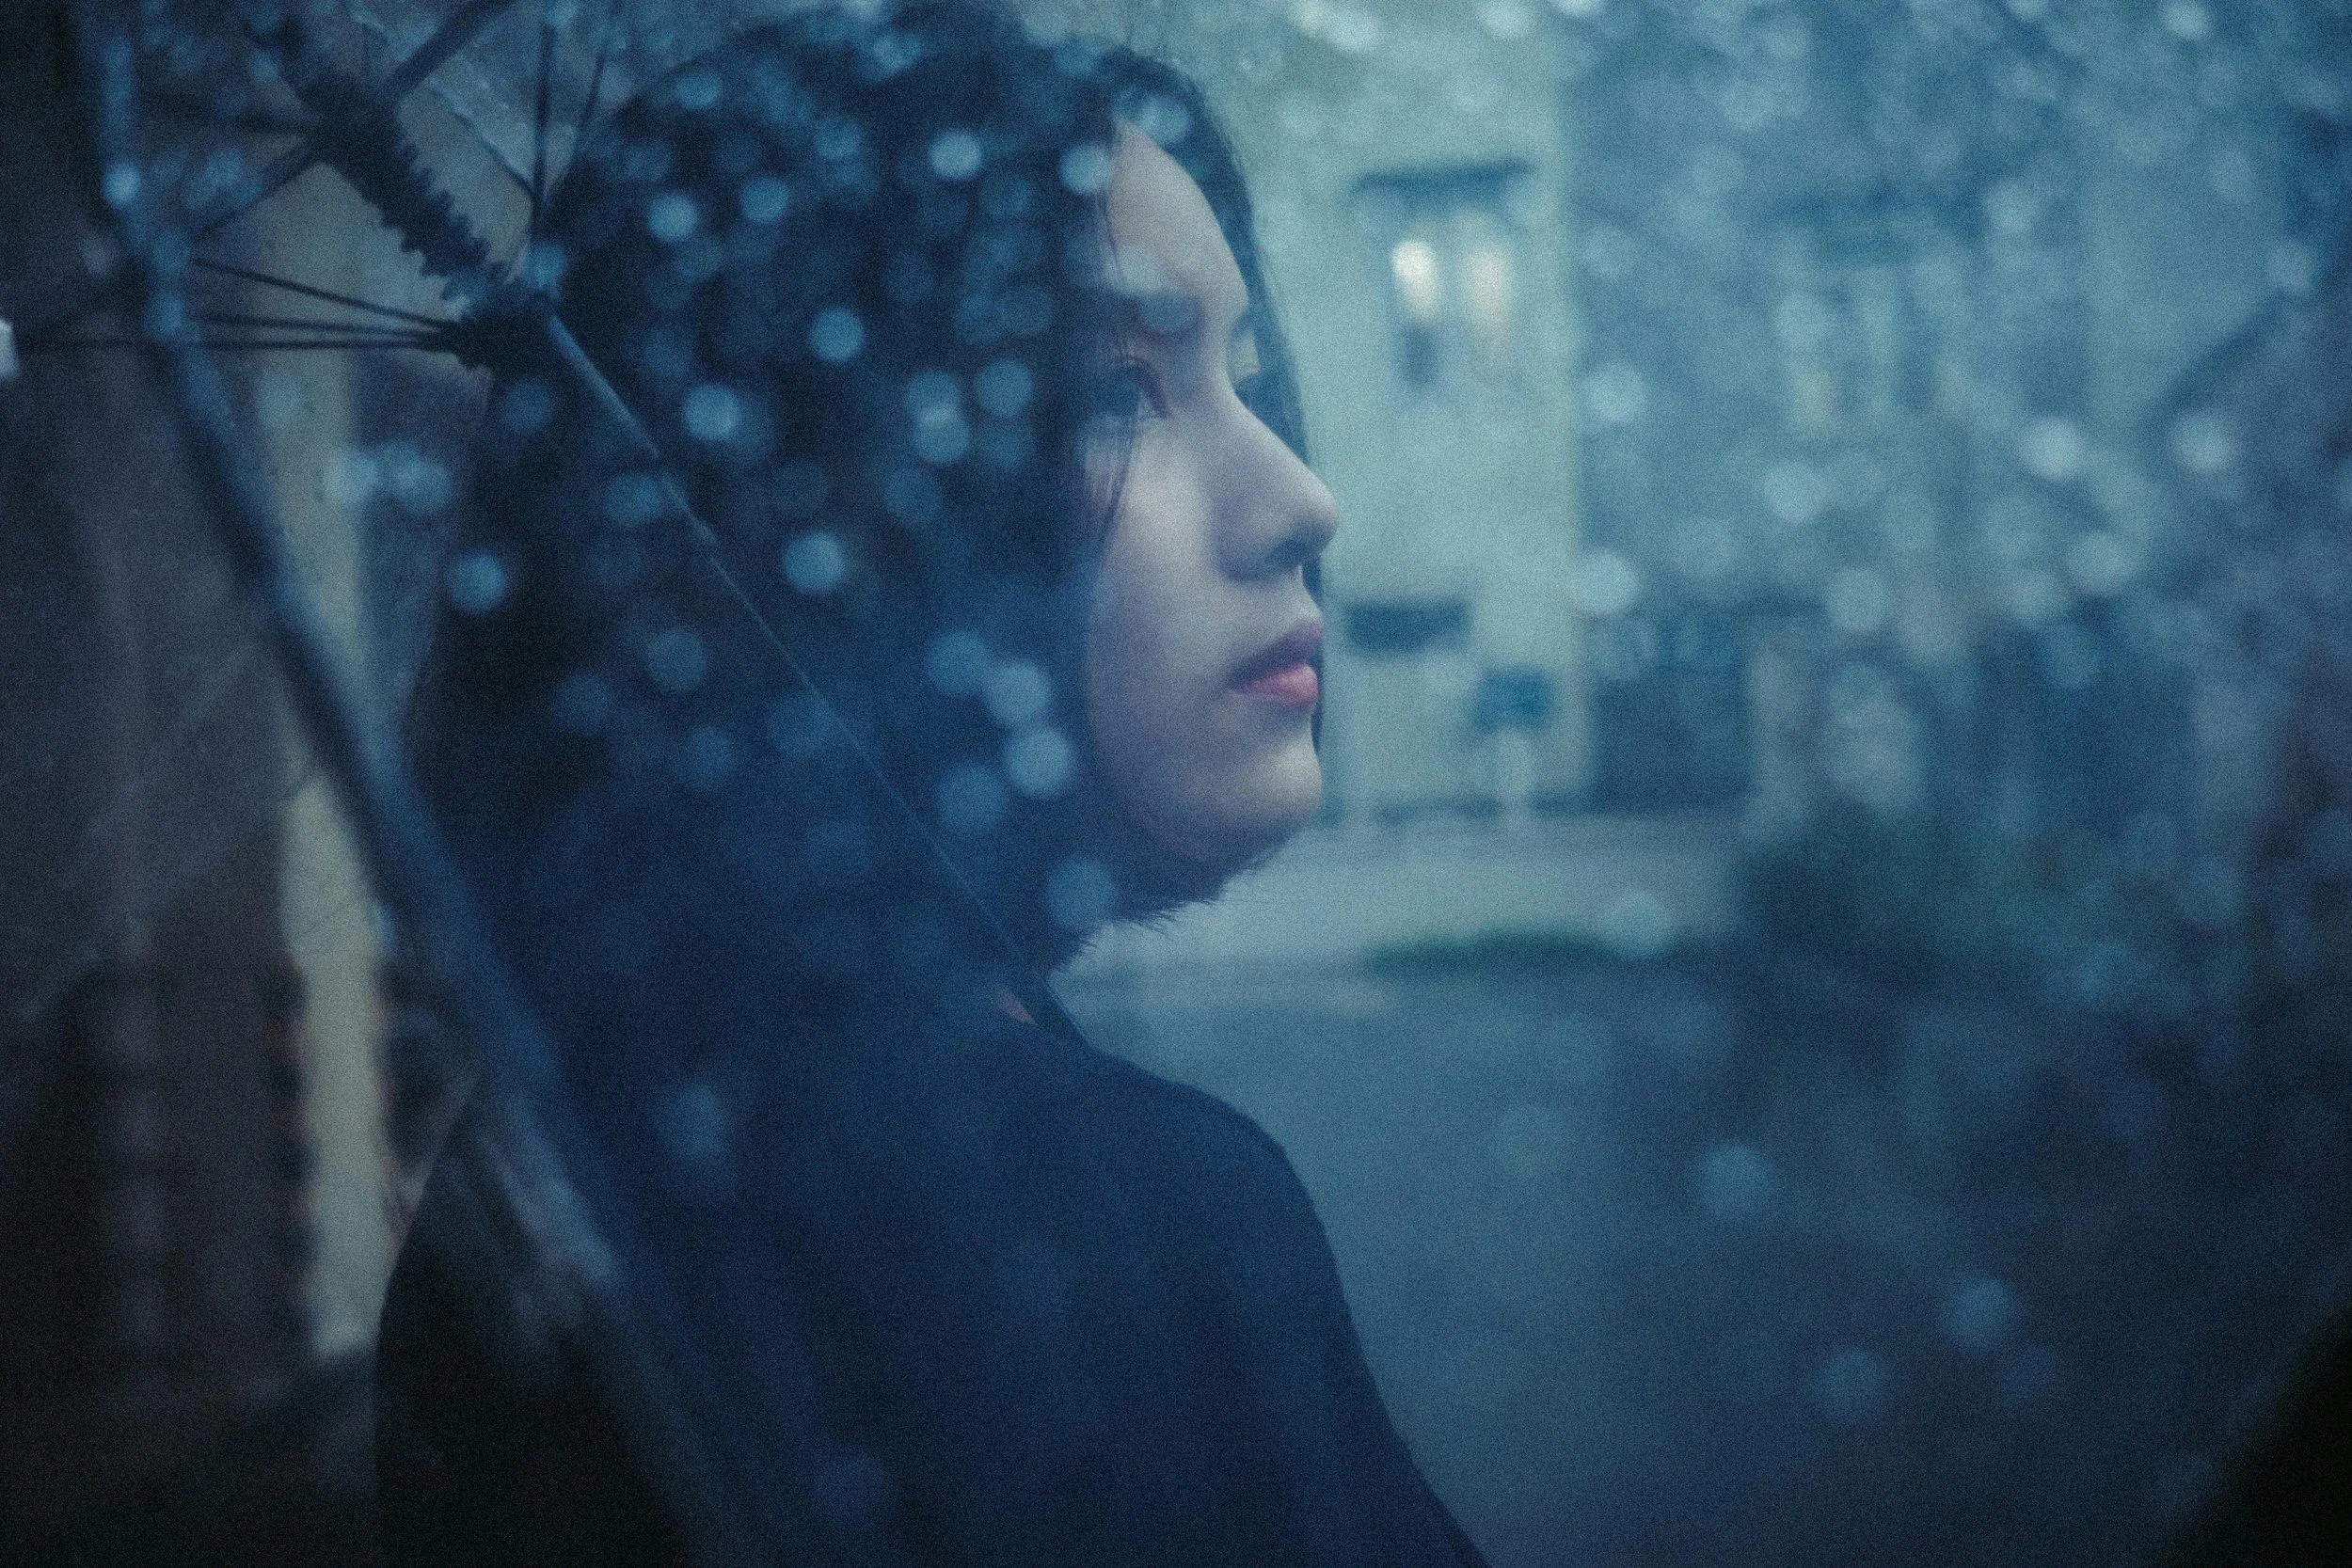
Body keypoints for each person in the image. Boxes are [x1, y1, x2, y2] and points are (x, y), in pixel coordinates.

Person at [373, 5, 1486, 1564]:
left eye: (1242, 374)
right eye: (1115, 393)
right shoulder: (1124, 1229)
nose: (1302, 496)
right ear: (842, 525)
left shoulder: (563, 1155)